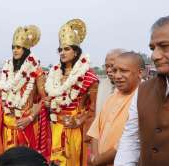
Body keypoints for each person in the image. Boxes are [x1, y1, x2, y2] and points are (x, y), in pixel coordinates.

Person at [114, 14, 169, 166]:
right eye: (152, 48)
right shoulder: (144, 90)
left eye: (165, 46)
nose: (155, 55)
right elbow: (131, 140)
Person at [45, 19, 99, 166]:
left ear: (76, 51)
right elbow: (52, 99)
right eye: (60, 50)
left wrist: (79, 121)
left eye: (67, 49)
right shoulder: (55, 74)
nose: (62, 52)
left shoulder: (88, 76)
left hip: (74, 129)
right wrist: (48, 103)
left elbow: (92, 108)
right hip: (56, 127)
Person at [0, 25, 50, 159]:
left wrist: (30, 118)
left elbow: (45, 100)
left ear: (26, 49)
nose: (15, 50)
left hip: (26, 125)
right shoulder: (7, 70)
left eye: (19, 47)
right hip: (7, 124)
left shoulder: (36, 71)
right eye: (13, 47)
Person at [88, 52, 143, 166]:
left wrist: (99, 160)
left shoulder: (143, 98)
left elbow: (131, 141)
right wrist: (94, 156)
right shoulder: (112, 96)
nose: (117, 76)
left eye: (123, 71)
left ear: (140, 73)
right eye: (115, 70)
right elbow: (95, 131)